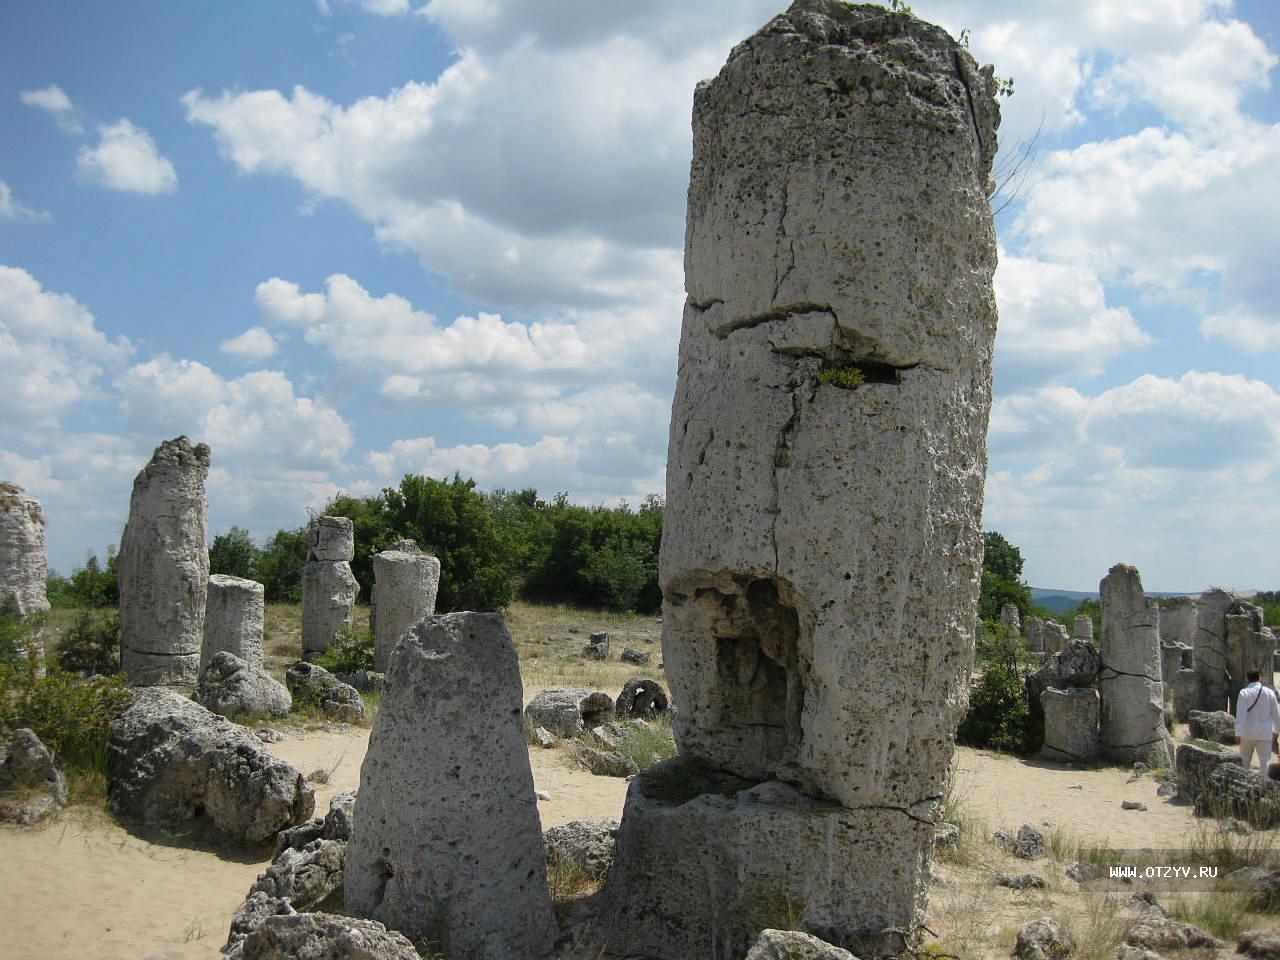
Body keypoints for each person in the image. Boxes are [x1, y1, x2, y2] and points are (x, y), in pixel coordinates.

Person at [1234, 669, 1280, 772]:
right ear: (1260, 677)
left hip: (1247, 732)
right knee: (1265, 763)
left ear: (1247, 678)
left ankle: (1243, 784)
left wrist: (1237, 733)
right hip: (1265, 732)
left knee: (1244, 762)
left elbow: (1240, 715)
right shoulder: (1270, 692)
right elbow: (1276, 714)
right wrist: (1276, 731)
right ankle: (1265, 786)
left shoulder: (1244, 692)